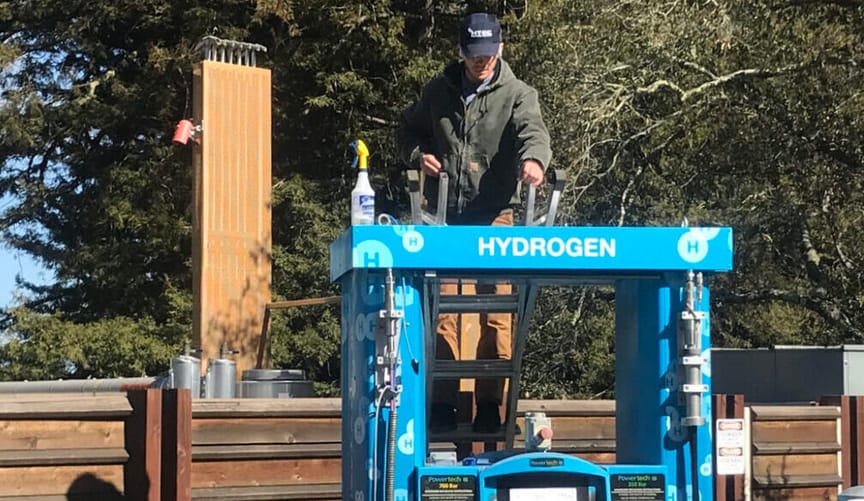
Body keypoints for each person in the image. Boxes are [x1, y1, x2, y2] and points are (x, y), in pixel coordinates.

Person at [395, 12, 552, 433]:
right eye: (473, 54)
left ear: (500, 48)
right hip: (444, 217)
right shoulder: (438, 91)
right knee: (442, 311)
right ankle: (443, 405)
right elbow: (406, 132)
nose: (481, 62)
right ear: (461, 52)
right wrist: (417, 157)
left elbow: (533, 132)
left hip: (495, 216)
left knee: (497, 315)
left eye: (487, 54)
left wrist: (534, 161)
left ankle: (490, 407)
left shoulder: (519, 94)